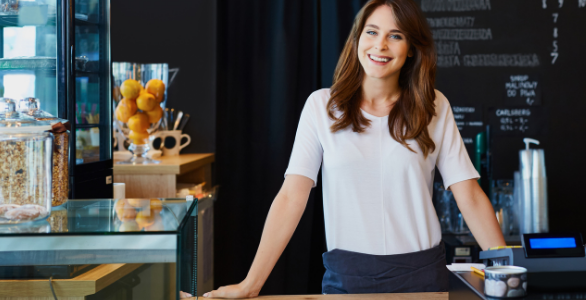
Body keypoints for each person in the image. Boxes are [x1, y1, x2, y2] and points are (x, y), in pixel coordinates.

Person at [203, 0, 505, 297]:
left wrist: (506, 273)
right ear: (357, 39)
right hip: (347, 278)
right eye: (372, 32)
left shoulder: (434, 106)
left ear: (411, 47)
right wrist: (250, 284)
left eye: (395, 35)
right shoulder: (321, 106)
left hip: (423, 276)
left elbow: (469, 195)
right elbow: (291, 197)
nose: (381, 45)